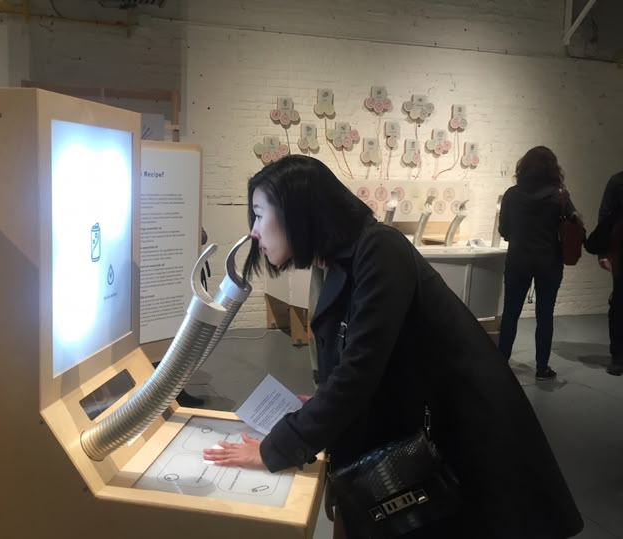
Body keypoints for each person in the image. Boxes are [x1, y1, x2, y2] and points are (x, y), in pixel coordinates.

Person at [202, 155, 583, 538]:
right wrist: (316, 408)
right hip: (411, 424)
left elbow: (358, 373)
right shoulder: (341, 262)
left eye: (259, 214)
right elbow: (357, 363)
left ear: (298, 211)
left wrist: (275, 449)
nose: (254, 231)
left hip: (464, 440)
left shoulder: (379, 250)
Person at [497, 146, 579, 380]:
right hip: (549, 262)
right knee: (545, 316)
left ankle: (502, 363)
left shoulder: (512, 194)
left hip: (518, 260)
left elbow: (504, 230)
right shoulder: (560, 195)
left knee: (511, 313)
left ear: (524, 167)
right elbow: (573, 223)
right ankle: (542, 368)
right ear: (553, 169)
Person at [585, 171, 623, 376]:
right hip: (620, 251)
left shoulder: (616, 181)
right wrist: (602, 252)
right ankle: (618, 356)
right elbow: (605, 218)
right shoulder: (617, 181)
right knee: (619, 303)